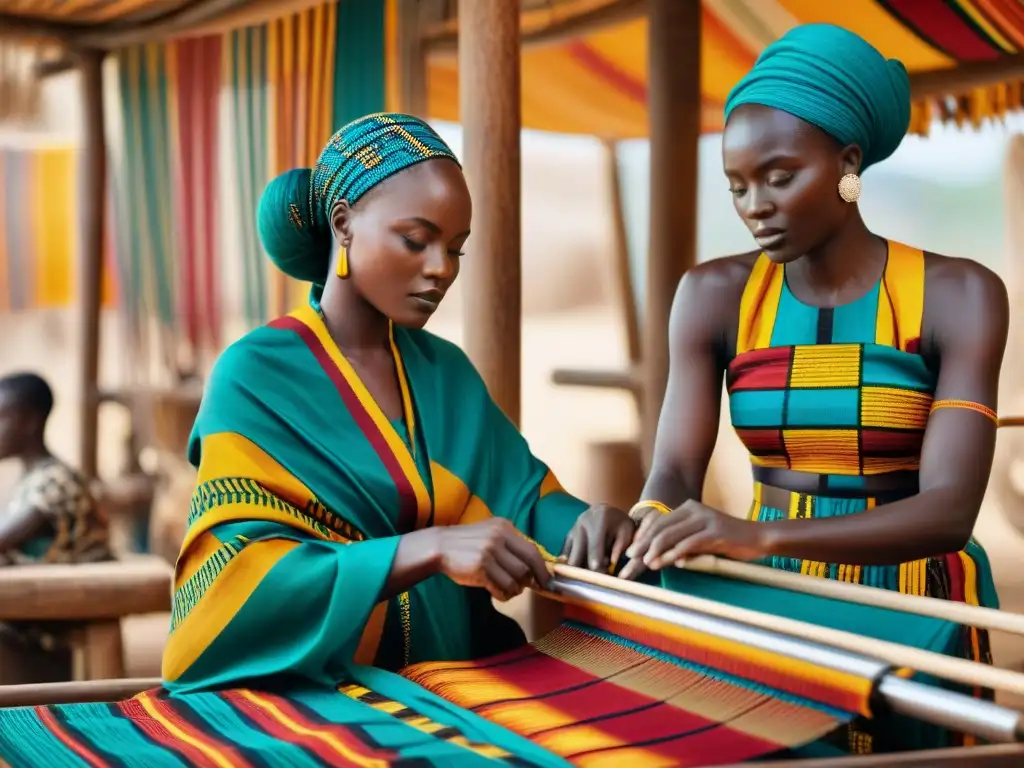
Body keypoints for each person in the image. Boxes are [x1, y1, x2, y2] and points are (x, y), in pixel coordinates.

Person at [618, 24, 1008, 753]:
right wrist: (646, 522)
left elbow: (950, 510)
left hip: (918, 598)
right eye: (736, 185)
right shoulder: (713, 295)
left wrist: (761, 533)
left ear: (847, 163)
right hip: (775, 600)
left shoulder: (957, 295)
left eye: (779, 176)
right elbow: (673, 470)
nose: (754, 204)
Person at [162, 113, 633, 693]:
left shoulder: (445, 373)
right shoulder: (256, 373)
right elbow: (229, 585)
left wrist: (593, 526)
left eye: (456, 249)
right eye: (416, 240)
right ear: (343, 225)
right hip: (309, 691)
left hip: (458, 685)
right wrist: (426, 550)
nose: (440, 269)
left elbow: (523, 502)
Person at [0, 372, 111, 684]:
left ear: (30, 422)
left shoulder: (55, 483)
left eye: (1, 418)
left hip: (51, 649)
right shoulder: (32, 480)